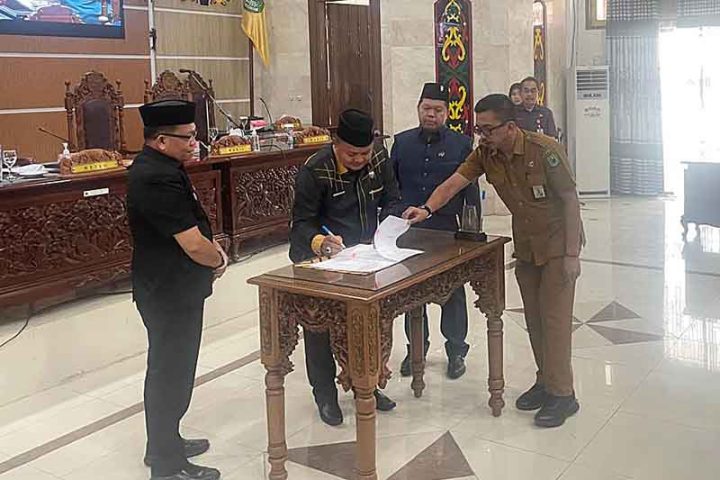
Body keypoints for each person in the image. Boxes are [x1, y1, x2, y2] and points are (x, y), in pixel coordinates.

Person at [403, 94, 584, 428]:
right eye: (478, 129)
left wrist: (572, 254)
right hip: (527, 246)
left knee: (555, 321)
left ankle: (564, 395)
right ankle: (546, 381)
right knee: (535, 319)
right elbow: (454, 183)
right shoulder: (487, 153)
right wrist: (426, 209)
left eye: (488, 129)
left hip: (558, 246)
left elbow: (570, 199)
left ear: (510, 127)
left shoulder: (545, 150)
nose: (482, 135)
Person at [127, 100, 228, 480]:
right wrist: (217, 260)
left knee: (172, 371)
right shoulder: (155, 177)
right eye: (187, 137)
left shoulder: (163, 167)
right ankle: (167, 466)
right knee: (171, 375)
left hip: (171, 288)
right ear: (160, 140)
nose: (194, 143)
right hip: (169, 293)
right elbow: (192, 244)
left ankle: (163, 442)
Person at [290, 109, 400, 426]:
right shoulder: (315, 170)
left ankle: (366, 385)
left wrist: (388, 227)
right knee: (319, 328)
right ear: (336, 143)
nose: (360, 160)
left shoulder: (378, 157)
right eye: (352, 154)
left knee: (365, 325)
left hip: (365, 257)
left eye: (365, 153)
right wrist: (321, 243)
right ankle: (325, 395)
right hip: (323, 260)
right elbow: (301, 223)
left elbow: (392, 199)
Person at [391, 82, 479, 380]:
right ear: (418, 108)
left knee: (452, 291)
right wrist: (394, 215)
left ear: (447, 113)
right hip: (408, 231)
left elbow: (470, 192)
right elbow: (391, 187)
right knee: (411, 293)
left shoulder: (461, 144)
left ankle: (456, 351)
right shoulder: (402, 142)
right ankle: (416, 349)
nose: (431, 115)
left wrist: (472, 231)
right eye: (426, 108)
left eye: (438, 110)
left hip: (446, 232)